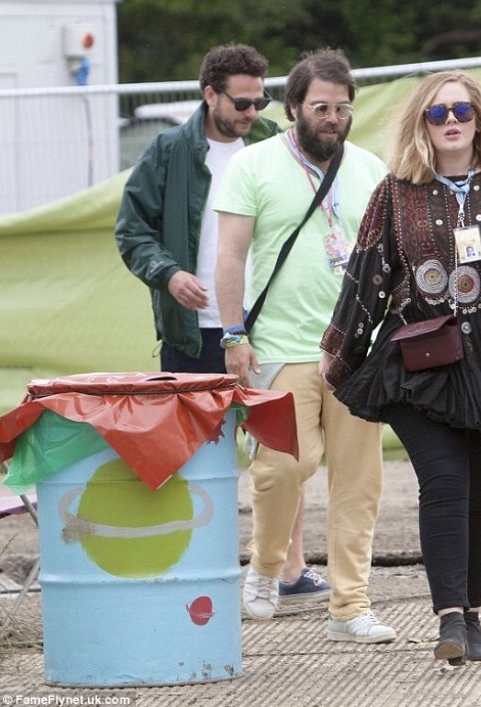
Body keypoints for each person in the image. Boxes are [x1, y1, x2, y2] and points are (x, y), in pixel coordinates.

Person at [319, 69, 481, 664]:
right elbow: (367, 279)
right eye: (438, 114)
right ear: (421, 125)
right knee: (444, 484)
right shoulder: (394, 193)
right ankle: (449, 621)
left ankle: (475, 616)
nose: (452, 122)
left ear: (479, 119)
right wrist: (339, 358)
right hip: (420, 365)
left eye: (462, 111)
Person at [114, 43, 328, 604]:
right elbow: (131, 231)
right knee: (194, 457)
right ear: (208, 94)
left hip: (266, 328)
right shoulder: (166, 152)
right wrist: (167, 274)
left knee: (282, 452)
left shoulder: (274, 149)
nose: (250, 113)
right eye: (240, 101)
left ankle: (289, 570)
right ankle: (194, 566)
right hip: (192, 331)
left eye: (260, 102)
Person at [213, 48, 396, 644]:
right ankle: (266, 566)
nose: (332, 118)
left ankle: (350, 605)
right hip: (282, 345)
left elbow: (390, 259)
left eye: (342, 108)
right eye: (320, 107)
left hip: (356, 349)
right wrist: (234, 333)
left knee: (359, 482)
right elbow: (229, 255)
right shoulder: (254, 165)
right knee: (285, 466)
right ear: (293, 107)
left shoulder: (371, 169)